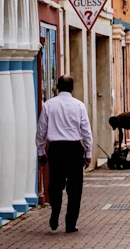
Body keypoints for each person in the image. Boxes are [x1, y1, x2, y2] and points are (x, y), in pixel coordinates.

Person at [36, 75, 92, 233]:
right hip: (74, 149)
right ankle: (71, 223)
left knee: (55, 184)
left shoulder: (49, 105)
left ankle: (55, 213)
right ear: (72, 87)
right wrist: (88, 152)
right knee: (75, 188)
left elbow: (41, 130)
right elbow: (86, 131)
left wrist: (41, 151)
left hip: (56, 149)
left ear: (57, 87)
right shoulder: (79, 105)